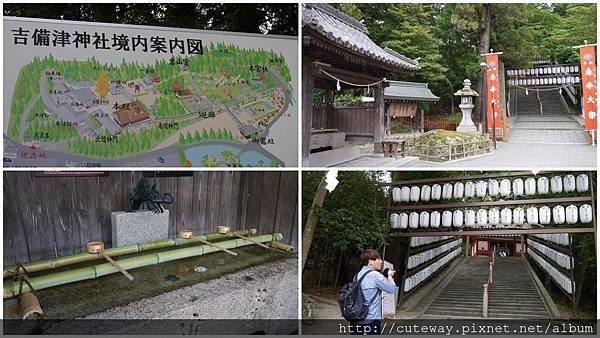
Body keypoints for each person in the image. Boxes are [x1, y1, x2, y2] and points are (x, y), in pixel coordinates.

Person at [354, 249, 396, 335]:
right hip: (371, 320)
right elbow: (391, 289)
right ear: (371, 262)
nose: (381, 261)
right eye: (378, 259)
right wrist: (389, 276)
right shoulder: (375, 275)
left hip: (356, 319)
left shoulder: (357, 275)